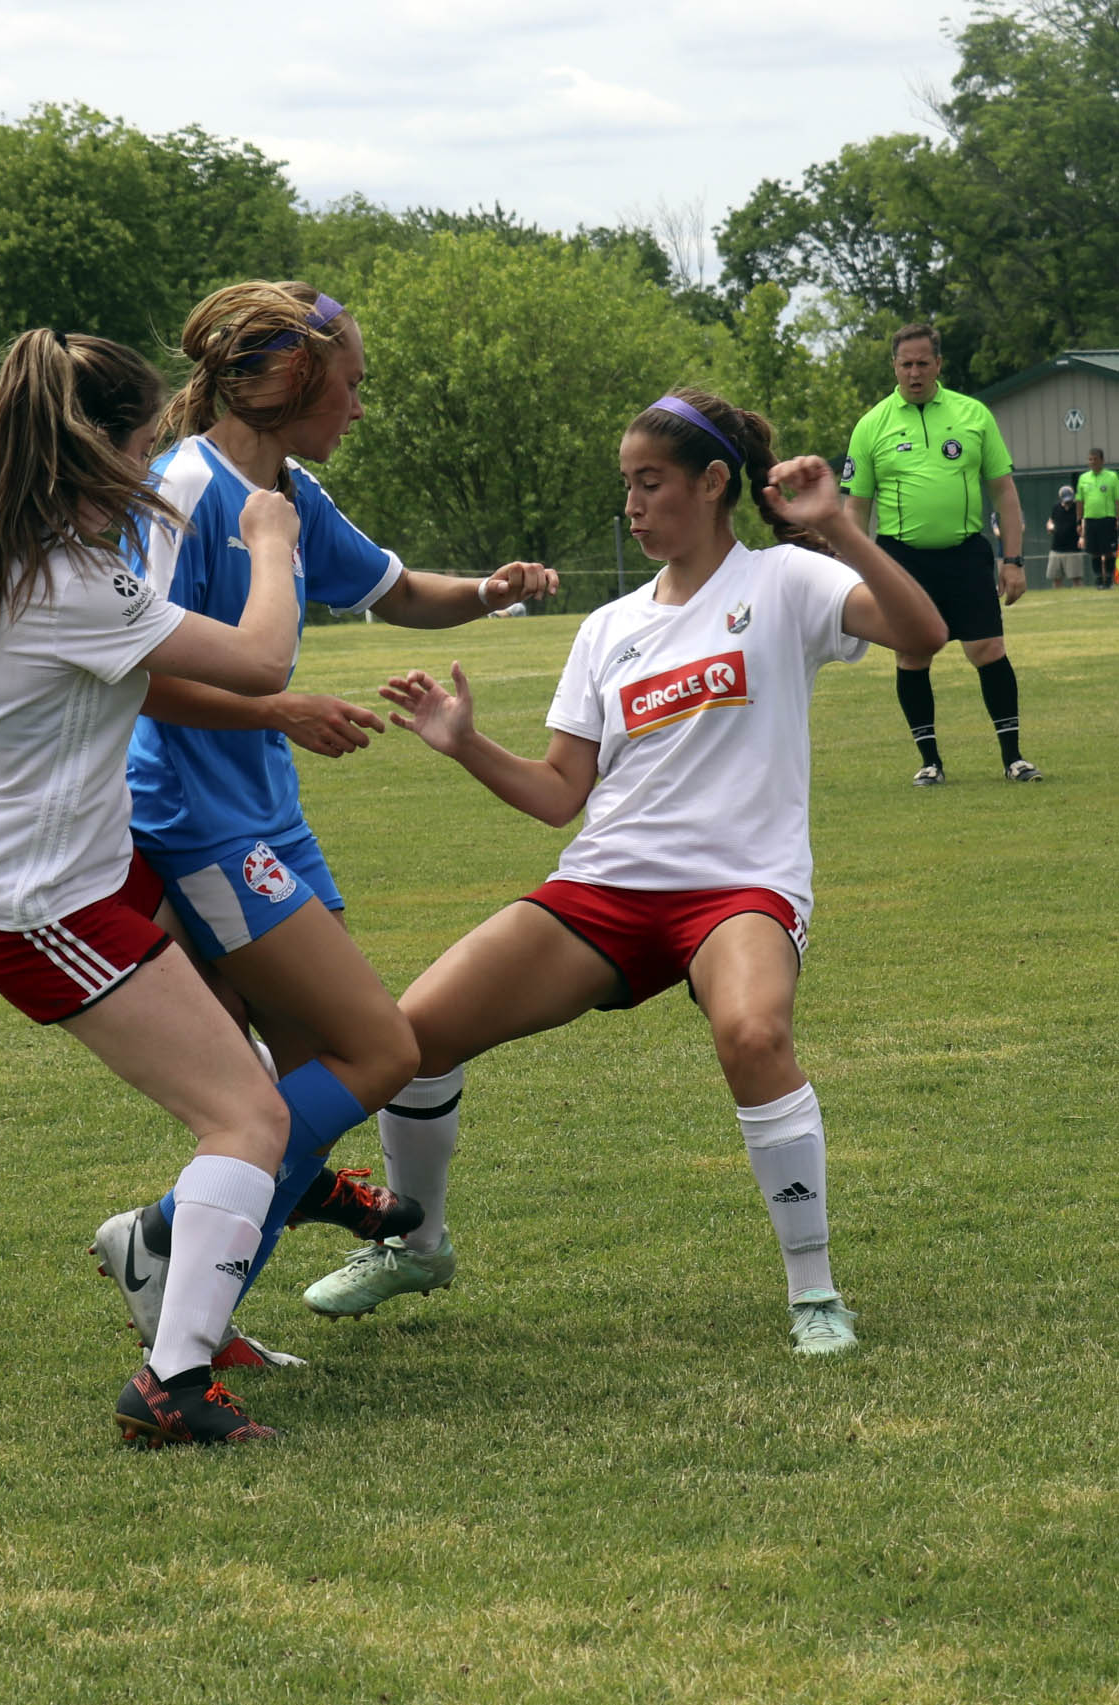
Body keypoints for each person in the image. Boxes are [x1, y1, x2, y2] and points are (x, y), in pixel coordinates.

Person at [299, 388, 947, 1357]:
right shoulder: (608, 627)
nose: (634, 504)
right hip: (606, 888)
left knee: (754, 1031)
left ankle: (813, 1291)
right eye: (627, 486)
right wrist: (465, 742)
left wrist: (841, 530)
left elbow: (923, 633)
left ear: (714, 481)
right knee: (412, 1036)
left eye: (651, 483)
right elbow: (562, 793)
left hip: (740, 889)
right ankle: (418, 1244)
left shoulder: (783, 581)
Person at [88, 280, 557, 1361]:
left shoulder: (287, 493)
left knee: (312, 1077)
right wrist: (277, 707)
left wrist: (491, 589)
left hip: (264, 818)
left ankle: (191, 1304)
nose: (358, 406)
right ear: (290, 381)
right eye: (348, 385)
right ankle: (161, 1236)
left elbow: (392, 590)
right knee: (373, 1049)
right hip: (192, 820)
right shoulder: (180, 490)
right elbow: (124, 671)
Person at [0, 328, 307, 1448]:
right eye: (145, 444)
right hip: (40, 907)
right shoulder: (66, 577)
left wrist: (3, 673)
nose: (155, 466)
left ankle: (185, 1258)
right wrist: (268, 536)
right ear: (99, 448)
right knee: (246, 1112)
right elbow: (263, 662)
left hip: (81, 872)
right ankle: (171, 1382)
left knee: (248, 1069)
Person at [841, 321, 1040, 784]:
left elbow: (1005, 493)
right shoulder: (872, 425)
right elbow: (855, 509)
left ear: (938, 364)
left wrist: (1013, 561)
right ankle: (930, 762)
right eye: (905, 364)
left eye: (922, 363)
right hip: (901, 561)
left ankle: (1013, 758)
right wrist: (853, 573)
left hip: (965, 553)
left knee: (988, 649)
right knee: (912, 657)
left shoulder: (973, 415)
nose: (914, 373)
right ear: (894, 366)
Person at [1076, 447, 1118, 589]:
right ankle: (1099, 579)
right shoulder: (1083, 478)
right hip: (1090, 519)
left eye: (1095, 459)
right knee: (1094, 551)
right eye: (1090, 459)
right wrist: (1079, 521)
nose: (1092, 462)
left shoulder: (1112, 477)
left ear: (1102, 461)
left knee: (1108, 550)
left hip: (1107, 518)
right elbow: (1080, 501)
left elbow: (1117, 499)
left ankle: (1109, 580)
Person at [1046, 484, 1087, 588]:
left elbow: (1083, 523)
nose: (1068, 502)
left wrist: (1082, 537)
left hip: (1073, 549)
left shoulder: (1078, 508)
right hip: (1056, 548)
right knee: (1056, 579)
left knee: (1076, 579)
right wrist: (1050, 526)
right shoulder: (1056, 507)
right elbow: (1050, 521)